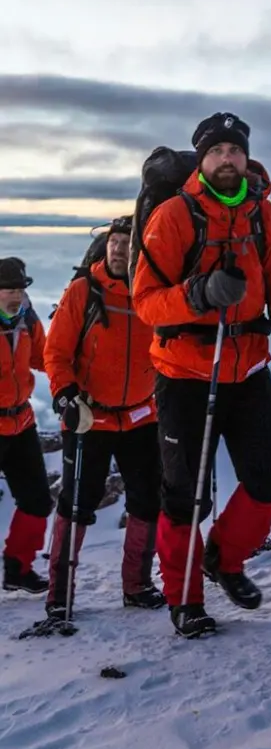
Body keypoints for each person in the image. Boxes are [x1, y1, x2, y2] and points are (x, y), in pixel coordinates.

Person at [132, 112, 271, 638]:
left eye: (236, 150)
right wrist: (199, 295)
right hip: (183, 373)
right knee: (185, 495)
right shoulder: (175, 216)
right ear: (202, 160)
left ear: (246, 158)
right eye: (217, 151)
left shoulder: (264, 216)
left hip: (248, 368)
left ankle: (224, 559)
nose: (228, 158)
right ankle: (186, 600)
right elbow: (145, 303)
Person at [42, 215, 169, 618]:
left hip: (140, 417)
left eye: (128, 243)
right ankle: (59, 594)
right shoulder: (84, 291)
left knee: (147, 501)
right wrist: (64, 394)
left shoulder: (151, 294)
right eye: (115, 241)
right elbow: (56, 353)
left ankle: (137, 585)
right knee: (76, 503)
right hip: (87, 417)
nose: (118, 249)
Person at [0, 257, 51, 595]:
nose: (15, 295)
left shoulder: (27, 321)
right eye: (8, 290)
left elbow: (45, 358)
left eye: (19, 289)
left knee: (36, 499)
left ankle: (18, 567)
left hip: (21, 421)